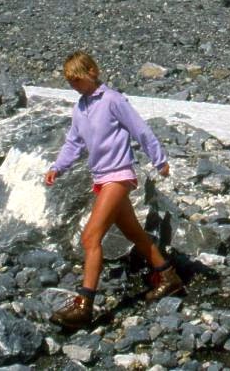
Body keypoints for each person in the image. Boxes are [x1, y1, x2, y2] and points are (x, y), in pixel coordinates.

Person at [44, 51, 184, 330]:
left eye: (76, 80)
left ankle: (84, 305)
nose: (74, 86)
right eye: (70, 82)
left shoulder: (113, 100)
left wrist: (160, 160)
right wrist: (58, 167)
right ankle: (168, 276)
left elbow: (140, 130)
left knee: (90, 237)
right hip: (101, 178)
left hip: (118, 176)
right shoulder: (81, 107)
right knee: (134, 233)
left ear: (92, 72)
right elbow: (74, 142)